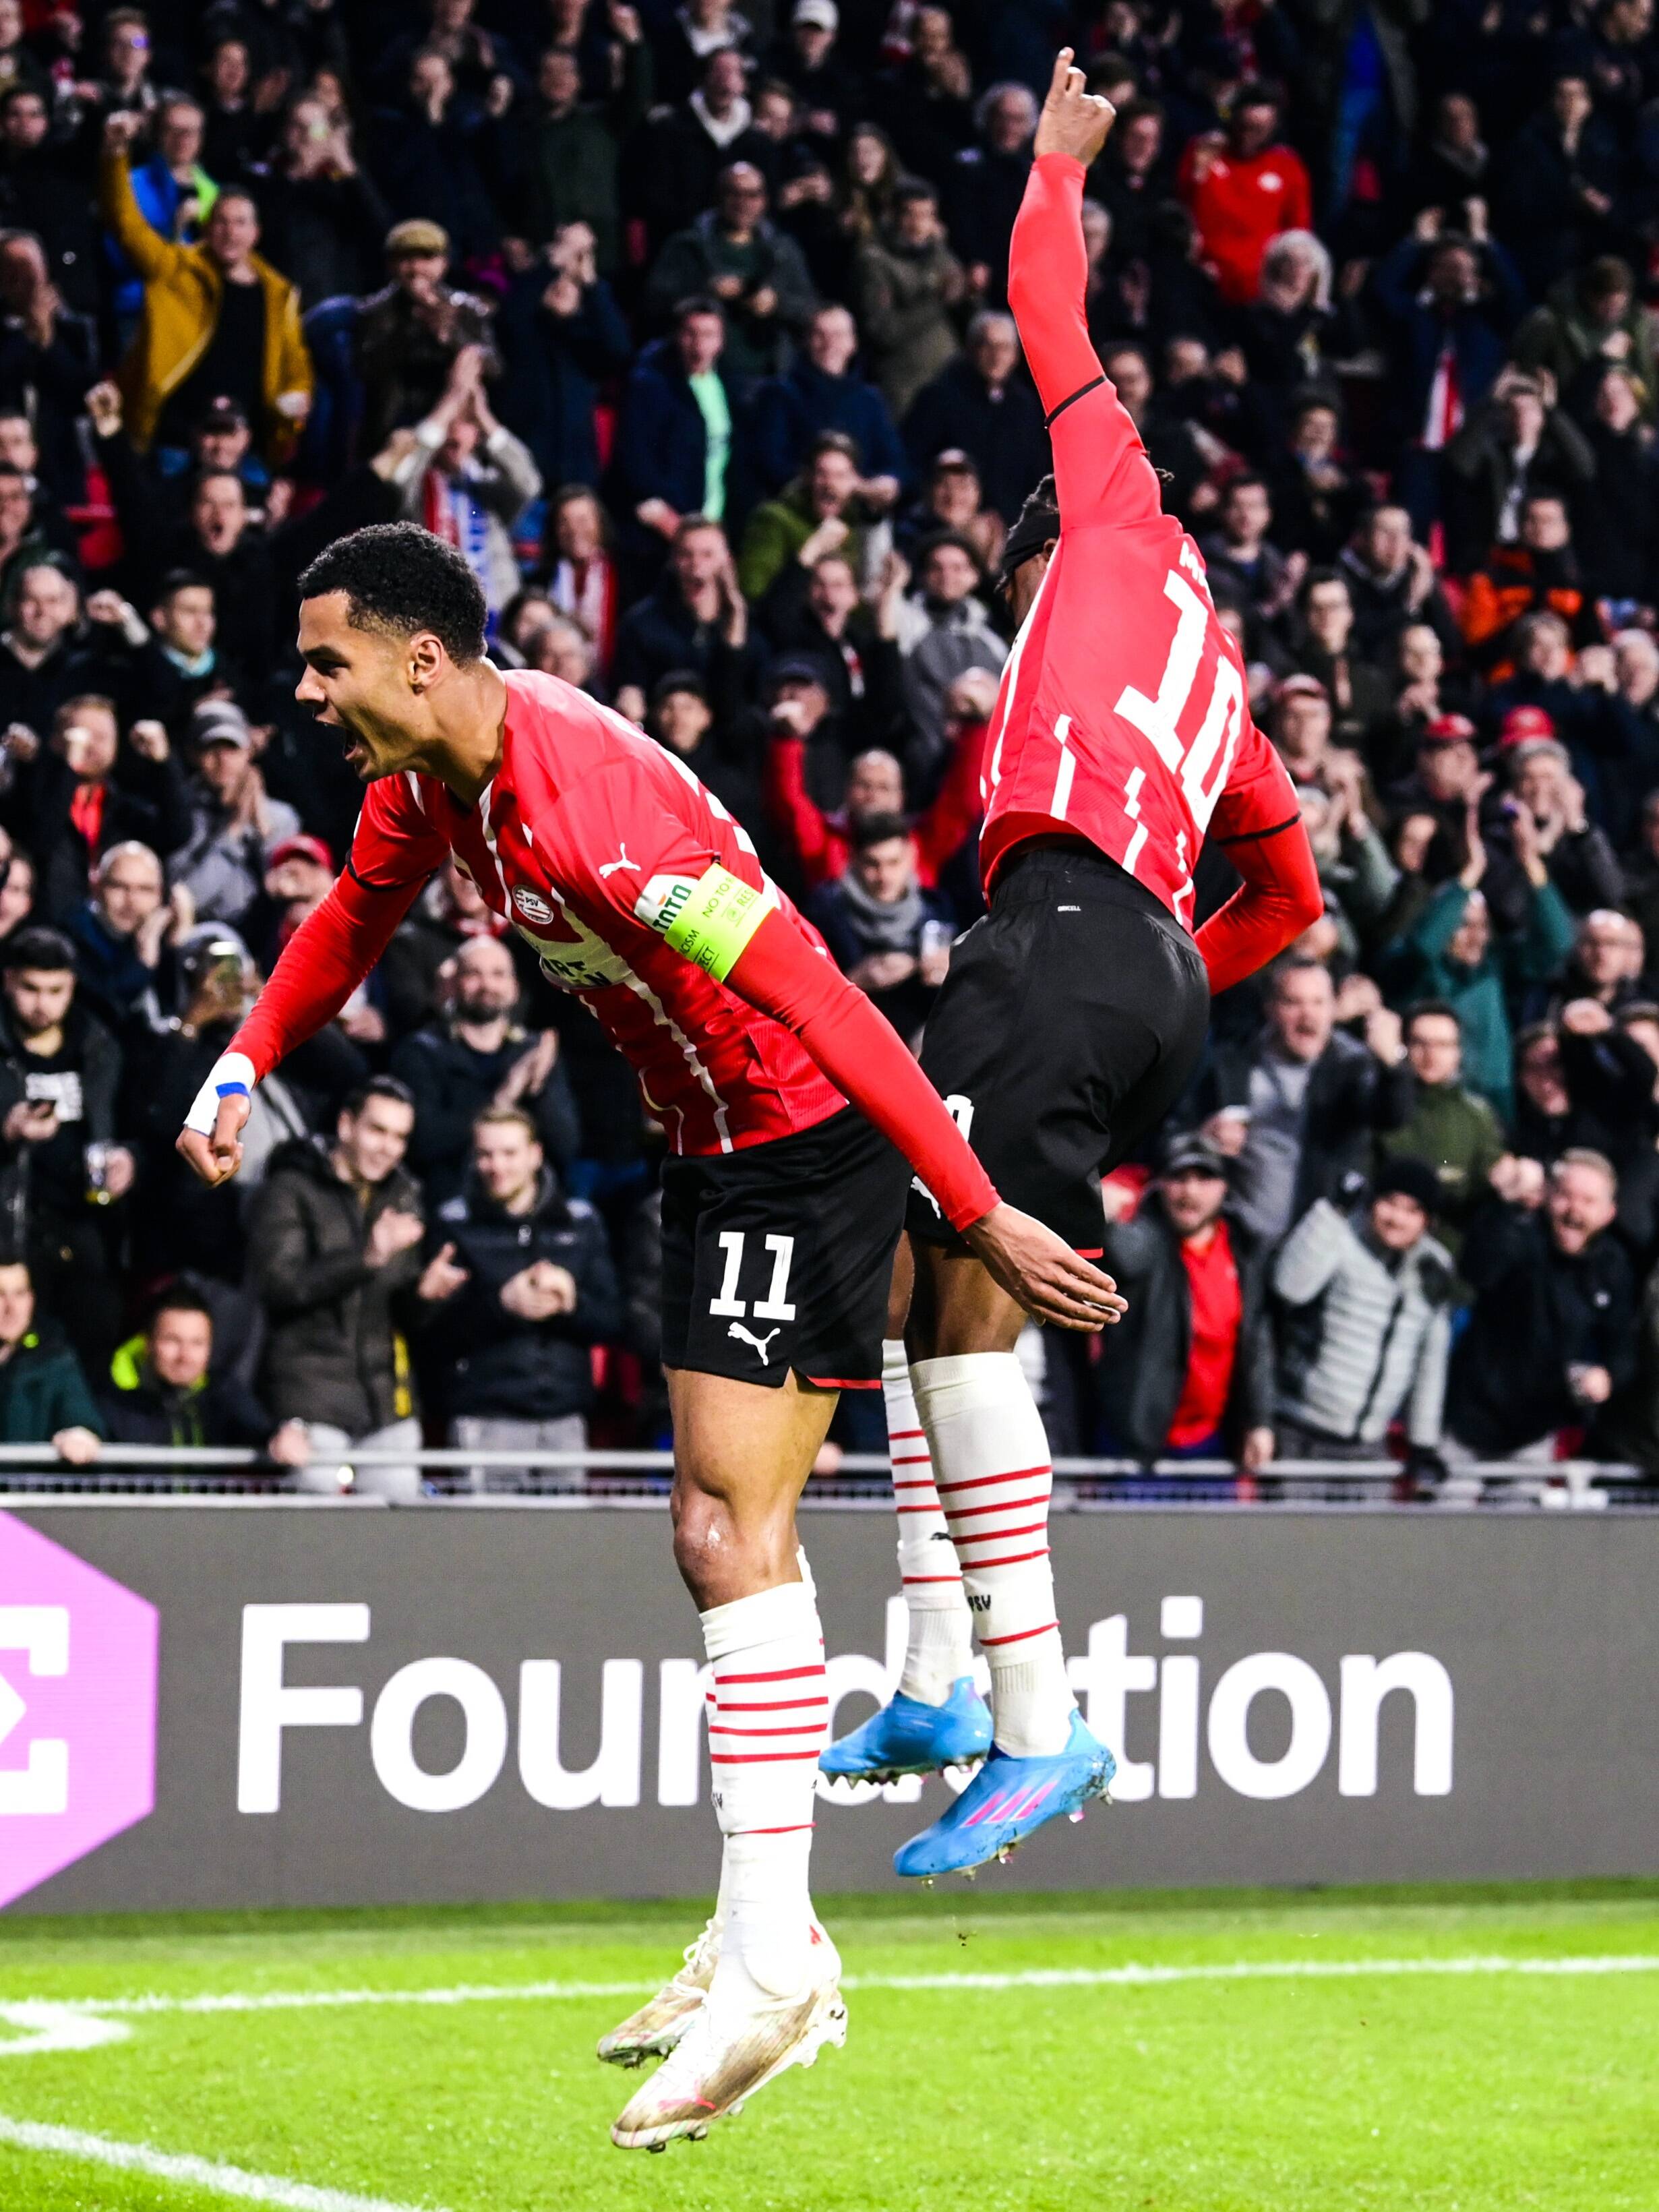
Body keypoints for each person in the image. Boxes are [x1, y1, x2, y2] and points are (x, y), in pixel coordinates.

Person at [174, 522, 1103, 2147]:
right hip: (708, 1146)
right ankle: (769, 1925)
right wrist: (246, 1056)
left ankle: (773, 1956)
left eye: (327, 660)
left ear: (419, 655)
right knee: (718, 1537)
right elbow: (345, 924)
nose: (307, 689)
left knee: (721, 1528)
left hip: (798, 1140)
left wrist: (968, 1203)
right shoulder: (429, 787)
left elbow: (824, 997)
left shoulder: (587, 805)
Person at [821, 63, 1319, 1880]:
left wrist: (1052, 160)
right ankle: (940, 1680)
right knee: (908, 1256)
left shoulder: (1103, 524)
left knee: (946, 1284)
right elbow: (1298, 890)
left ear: (1033, 563)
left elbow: (1045, 303)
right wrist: (1174, 967)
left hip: (1067, 932)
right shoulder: (1224, 696)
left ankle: (1032, 1723)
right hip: (1138, 960)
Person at [246, 1076, 429, 1502]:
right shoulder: (291, 1189)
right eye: (377, 1130)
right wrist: (366, 1257)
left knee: (399, 1540)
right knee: (314, 1540)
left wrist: (426, 1294)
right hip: (309, 1399)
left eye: (400, 1137)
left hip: (387, 1406)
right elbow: (279, 1284)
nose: (388, 1148)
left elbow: (401, 1314)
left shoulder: (403, 1196)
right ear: (346, 1126)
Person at [422, 1104, 623, 1487]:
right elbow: (431, 1334)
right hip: (485, 1417)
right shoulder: (453, 1223)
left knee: (566, 1546)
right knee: (486, 1546)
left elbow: (613, 1320)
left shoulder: (580, 1223)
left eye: (509, 1153)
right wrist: (502, 1305)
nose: (497, 1166)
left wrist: (571, 1303)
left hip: (565, 1420)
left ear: (535, 1154)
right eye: (485, 1154)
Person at [99, 111, 312, 467]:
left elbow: (296, 365)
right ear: (208, 228)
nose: (231, 232)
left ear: (256, 233)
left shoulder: (279, 293)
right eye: (221, 222)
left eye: (240, 223)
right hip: (175, 443)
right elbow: (125, 224)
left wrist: (296, 399)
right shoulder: (175, 268)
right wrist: (114, 153)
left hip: (249, 451)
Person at [1192, 957, 1414, 1244]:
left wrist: (1394, 1066)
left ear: (1334, 1008)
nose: (1308, 1016)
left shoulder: (1351, 1065)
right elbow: (1177, 1132)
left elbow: (1392, 1115)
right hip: (1237, 1240)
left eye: (1318, 1003)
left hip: (1313, 1246)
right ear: (1270, 1008)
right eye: (1293, 1003)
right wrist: (1205, 1138)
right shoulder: (1233, 1064)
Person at [1092, 1135, 1275, 1472]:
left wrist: (1259, 1421)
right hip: (1137, 1445)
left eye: (1204, 1178)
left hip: (1214, 1444)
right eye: (1179, 1178)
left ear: (1224, 1187)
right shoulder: (1147, 1239)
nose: (1190, 1192)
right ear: (1161, 1185)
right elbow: (1124, 1255)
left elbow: (1256, 1347)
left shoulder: (1244, 1252)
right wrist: (1103, 1214)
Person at [1447, 1148, 1635, 1460]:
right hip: (1470, 1421)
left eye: (1588, 1201)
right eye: (1565, 1195)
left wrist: (1608, 1375)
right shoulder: (1519, 1232)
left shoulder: (1612, 1267)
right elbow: (1476, 1269)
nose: (1574, 1210)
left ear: (1609, 1212)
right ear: (1548, 1195)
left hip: (1537, 1432)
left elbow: (1622, 1343)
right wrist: (1508, 1205)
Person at [0, 924, 131, 1361]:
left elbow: (135, 1125)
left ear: (72, 984)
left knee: (91, 1349)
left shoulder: (99, 1047)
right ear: (8, 981)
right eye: (31, 989)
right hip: (12, 1235)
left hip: (85, 1231)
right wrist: (6, 1131)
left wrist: (130, 1160)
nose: (43, 1004)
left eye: (56, 990)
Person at [1271, 1159, 1455, 1471]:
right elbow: (1289, 1287)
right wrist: (1330, 1212)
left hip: (1370, 1442)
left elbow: (1431, 1359)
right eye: (1390, 1204)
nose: (1397, 1219)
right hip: (1302, 1431)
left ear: (1428, 1222)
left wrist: (1422, 1442)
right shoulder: (1339, 1236)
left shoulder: (1435, 1265)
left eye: (1412, 1211)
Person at [389, 932, 579, 1207]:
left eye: (498, 974)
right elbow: (422, 1141)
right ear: (453, 985)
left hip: (529, 1209)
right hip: (448, 1206)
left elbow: (565, 1145)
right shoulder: (421, 1051)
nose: (487, 984)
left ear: (514, 988)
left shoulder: (535, 1053)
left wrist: (537, 1089)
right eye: (473, 974)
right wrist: (504, 1096)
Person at [100, 1285, 307, 1462]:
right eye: (173, 1341)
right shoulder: (114, 1401)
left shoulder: (223, 1394)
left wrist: (285, 1434)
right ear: (148, 1344)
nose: (185, 1356)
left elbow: (259, 1428)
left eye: (197, 1343)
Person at [0, 1253, 101, 1461]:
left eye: (20, 1293)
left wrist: (80, 1435)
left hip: (26, 1491)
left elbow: (79, 1414)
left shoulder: (55, 1360)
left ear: (32, 1300)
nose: (11, 1308)